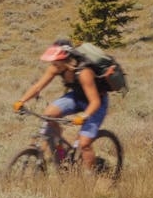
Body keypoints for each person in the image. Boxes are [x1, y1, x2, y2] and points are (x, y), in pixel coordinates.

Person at [13, 39, 106, 172]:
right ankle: (63, 156)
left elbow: (95, 102)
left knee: (85, 143)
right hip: (77, 97)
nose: (53, 64)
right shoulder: (56, 68)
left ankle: (94, 177)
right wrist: (22, 101)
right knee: (49, 115)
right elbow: (38, 86)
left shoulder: (84, 72)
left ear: (65, 59)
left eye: (56, 60)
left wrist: (84, 116)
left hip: (96, 102)